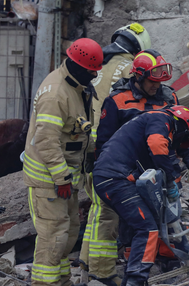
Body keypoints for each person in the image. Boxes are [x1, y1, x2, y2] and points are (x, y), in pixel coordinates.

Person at [81, 49, 189, 285]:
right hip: (129, 171)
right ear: (138, 76)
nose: (156, 87)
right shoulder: (118, 100)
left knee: (167, 216)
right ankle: (134, 271)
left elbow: (181, 135)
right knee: (136, 222)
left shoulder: (168, 98)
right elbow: (106, 141)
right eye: (152, 81)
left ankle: (168, 263)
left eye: (160, 82)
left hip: (159, 168)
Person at [24, 38, 102, 286]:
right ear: (78, 65)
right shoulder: (56, 94)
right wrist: (61, 178)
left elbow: (77, 131)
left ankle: (62, 280)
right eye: (91, 71)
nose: (94, 75)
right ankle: (45, 283)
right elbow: (46, 140)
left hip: (66, 180)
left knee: (67, 234)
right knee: (53, 237)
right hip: (50, 180)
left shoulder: (76, 86)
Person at [92, 105, 189, 286]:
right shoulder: (160, 119)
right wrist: (170, 180)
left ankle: (131, 277)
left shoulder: (146, 123)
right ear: (181, 126)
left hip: (113, 176)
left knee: (139, 222)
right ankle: (136, 280)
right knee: (147, 228)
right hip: (115, 178)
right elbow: (157, 146)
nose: (176, 145)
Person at [79, 23, 151, 286]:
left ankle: (87, 264)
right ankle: (103, 273)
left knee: (97, 209)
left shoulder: (101, 65)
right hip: (108, 151)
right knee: (107, 213)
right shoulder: (128, 68)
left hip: (90, 145)